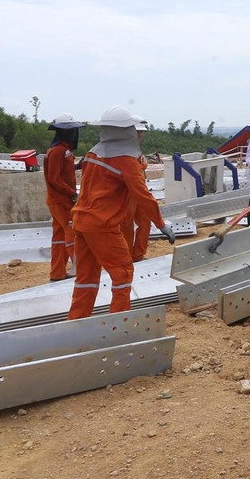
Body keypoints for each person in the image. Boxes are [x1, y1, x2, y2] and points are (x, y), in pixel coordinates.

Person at [68, 105, 175, 320]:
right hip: (102, 226)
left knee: (86, 278)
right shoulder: (127, 160)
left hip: (81, 221)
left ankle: (77, 323)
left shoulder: (92, 153)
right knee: (123, 273)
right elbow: (142, 195)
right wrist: (161, 224)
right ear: (127, 130)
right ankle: (118, 324)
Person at [44, 113, 85, 282]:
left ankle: (57, 273)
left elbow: (62, 172)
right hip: (60, 201)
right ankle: (80, 269)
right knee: (70, 232)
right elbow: (54, 178)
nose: (75, 134)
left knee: (59, 238)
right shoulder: (57, 151)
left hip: (61, 199)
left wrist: (77, 166)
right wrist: (72, 193)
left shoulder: (64, 150)